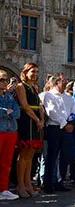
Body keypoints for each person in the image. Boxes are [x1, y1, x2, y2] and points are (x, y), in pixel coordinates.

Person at [43, 73, 75, 193]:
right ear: (56, 83)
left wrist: (71, 123)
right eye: (63, 81)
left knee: (65, 156)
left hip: (67, 129)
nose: (66, 83)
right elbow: (51, 112)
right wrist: (64, 123)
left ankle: (60, 181)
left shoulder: (68, 97)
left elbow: (73, 112)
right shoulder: (49, 95)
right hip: (54, 128)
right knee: (52, 157)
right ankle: (48, 183)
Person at [16, 62, 44, 198]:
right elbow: (25, 106)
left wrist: (41, 119)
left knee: (30, 155)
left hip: (35, 122)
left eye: (37, 72)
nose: (35, 75)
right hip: (27, 121)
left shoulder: (34, 87)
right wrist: (37, 120)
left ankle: (28, 184)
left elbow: (39, 106)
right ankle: (20, 185)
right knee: (23, 154)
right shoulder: (21, 87)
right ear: (26, 72)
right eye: (32, 71)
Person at [0, 70, 20, 200]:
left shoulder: (9, 96)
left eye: (6, 80)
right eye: (2, 80)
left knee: (6, 162)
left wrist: (7, 112)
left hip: (11, 131)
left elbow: (17, 112)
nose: (5, 82)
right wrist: (7, 111)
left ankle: (3, 189)